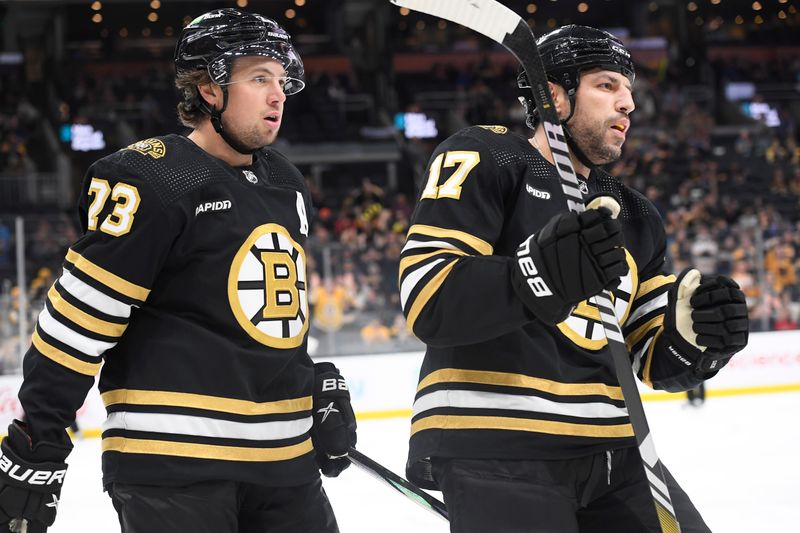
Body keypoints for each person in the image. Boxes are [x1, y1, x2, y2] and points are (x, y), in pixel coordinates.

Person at [0, 9, 356, 533]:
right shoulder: (149, 177)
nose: (278, 95)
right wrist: (40, 435)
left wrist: (316, 382)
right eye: (259, 78)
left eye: (281, 81)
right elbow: (80, 321)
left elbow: (276, 321)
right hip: (175, 463)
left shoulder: (285, 182)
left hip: (284, 466)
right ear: (209, 88)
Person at [399, 25, 748, 533]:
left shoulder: (636, 215)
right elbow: (429, 300)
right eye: (607, 86)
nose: (627, 103)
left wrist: (697, 340)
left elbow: (649, 357)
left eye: (629, 91)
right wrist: (539, 274)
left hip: (617, 454)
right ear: (554, 95)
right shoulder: (487, 156)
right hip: (499, 444)